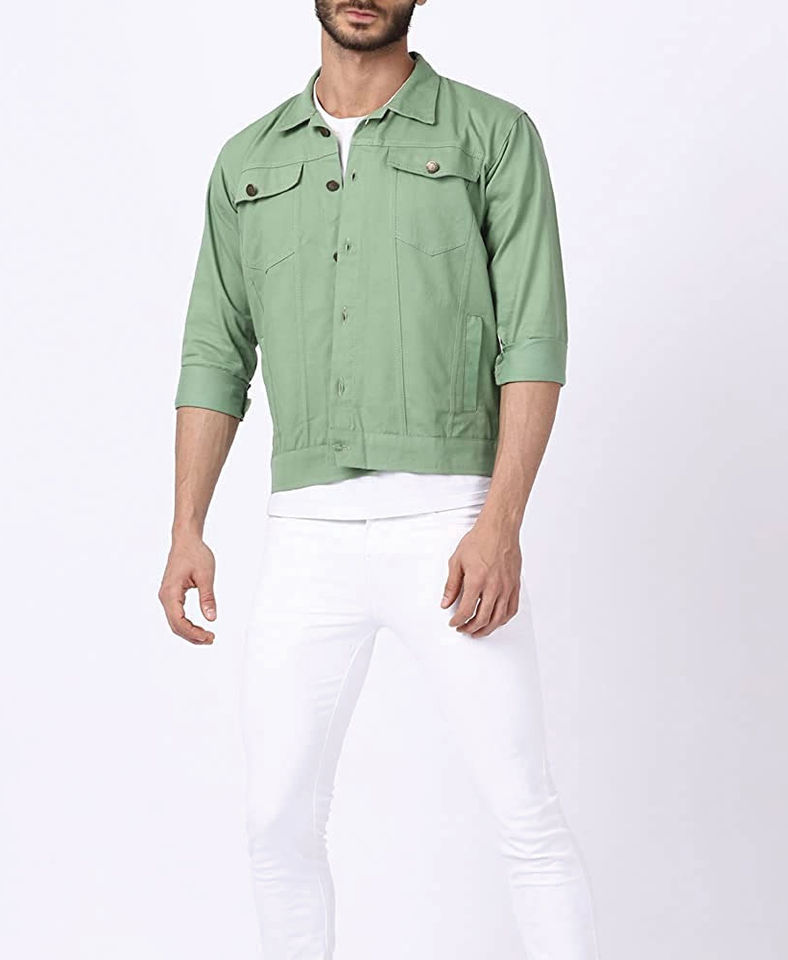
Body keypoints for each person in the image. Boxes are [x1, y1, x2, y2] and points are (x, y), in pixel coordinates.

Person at [158, 2, 601, 957]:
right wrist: (187, 526)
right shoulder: (246, 161)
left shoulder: (492, 135)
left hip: (451, 526)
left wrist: (501, 524)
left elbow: (534, 339)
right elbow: (214, 353)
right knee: (275, 823)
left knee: (522, 811)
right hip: (306, 539)